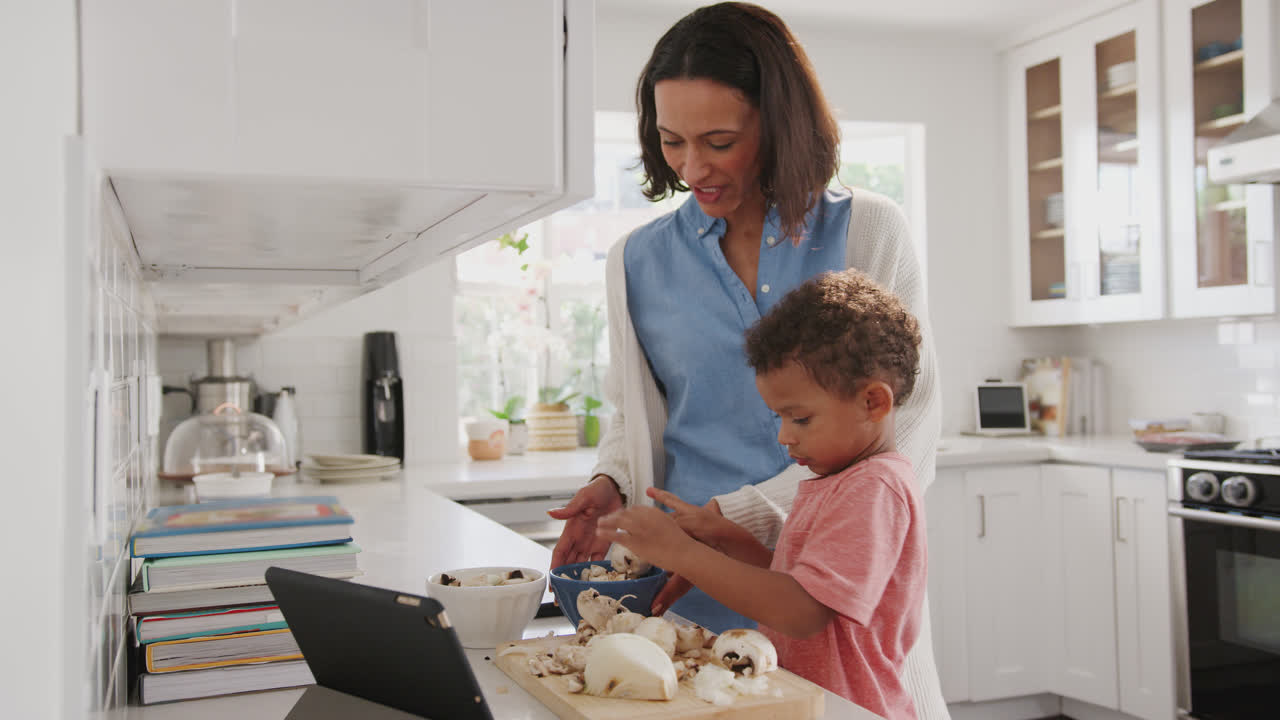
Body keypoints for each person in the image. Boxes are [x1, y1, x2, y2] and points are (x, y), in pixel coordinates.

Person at [547, 3, 948, 717]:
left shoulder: (870, 229)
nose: (692, 168)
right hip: (683, 600)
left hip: (824, 606)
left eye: (720, 140)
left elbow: (907, 429)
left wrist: (739, 519)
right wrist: (614, 477)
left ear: (778, 125)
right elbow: (636, 406)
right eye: (671, 142)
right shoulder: (637, 260)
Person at [597, 269, 927, 718]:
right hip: (809, 703)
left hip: (849, 709)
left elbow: (803, 613)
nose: (785, 438)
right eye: (780, 419)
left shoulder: (874, 488)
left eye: (801, 419)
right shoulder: (840, 478)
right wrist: (735, 543)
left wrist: (680, 553)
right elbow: (801, 585)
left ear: (873, 402)